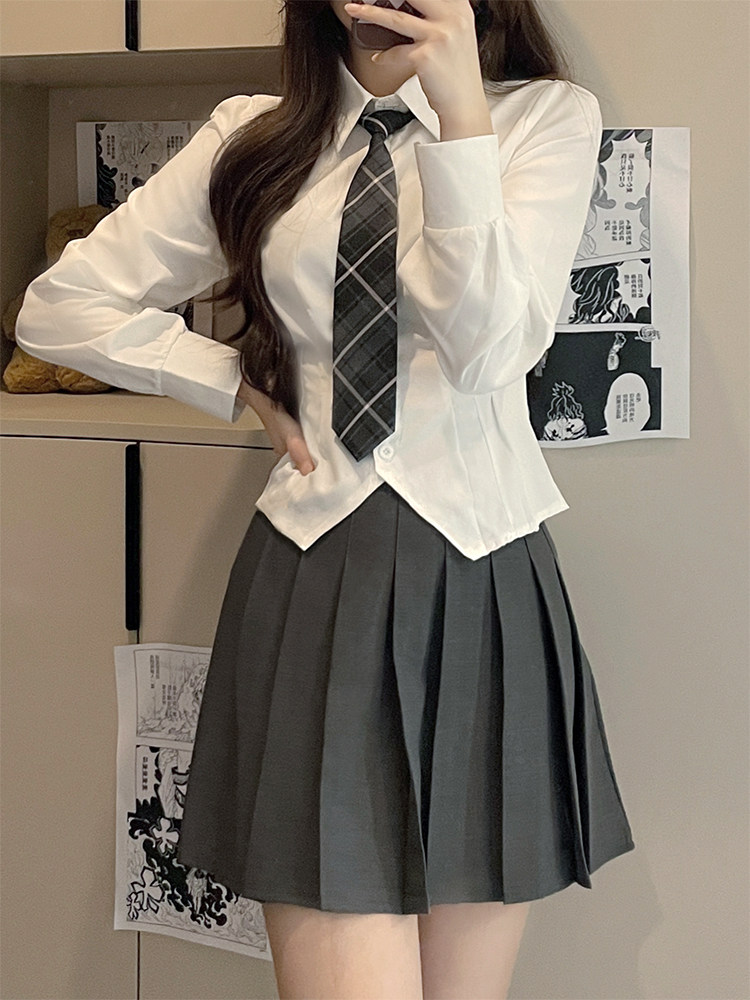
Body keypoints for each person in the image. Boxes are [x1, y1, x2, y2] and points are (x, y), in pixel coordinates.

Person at [15, 1, 636, 996]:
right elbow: (60, 307)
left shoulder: (541, 120)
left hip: (485, 581)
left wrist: (461, 115)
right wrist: (227, 378)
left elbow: (488, 354)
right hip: (314, 571)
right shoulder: (253, 137)